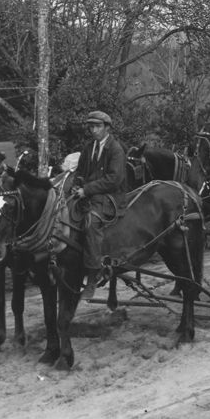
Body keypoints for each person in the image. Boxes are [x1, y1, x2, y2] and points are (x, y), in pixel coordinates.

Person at [74, 110, 127, 301]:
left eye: (97, 126)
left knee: (90, 222)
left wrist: (86, 190)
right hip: (90, 194)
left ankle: (93, 275)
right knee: (66, 214)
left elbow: (114, 179)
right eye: (91, 127)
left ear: (107, 128)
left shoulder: (115, 149)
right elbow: (80, 171)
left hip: (110, 197)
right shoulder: (89, 147)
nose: (94, 130)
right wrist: (76, 184)